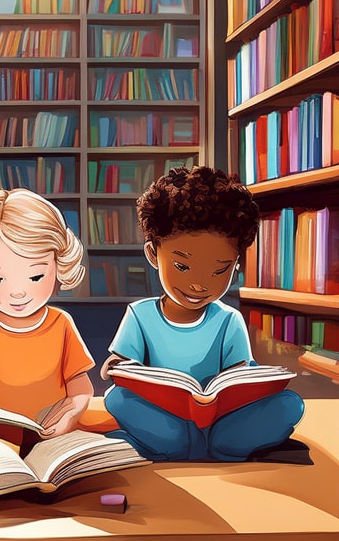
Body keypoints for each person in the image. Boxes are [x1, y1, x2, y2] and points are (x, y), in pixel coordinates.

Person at [101, 165, 304, 461]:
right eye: (182, 266)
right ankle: (197, 445)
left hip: (223, 420)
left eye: (219, 270)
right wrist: (116, 366)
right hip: (166, 419)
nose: (198, 284)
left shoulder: (228, 320)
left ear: (235, 265)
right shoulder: (140, 315)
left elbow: (238, 379)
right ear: (153, 255)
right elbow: (124, 366)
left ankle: (208, 444)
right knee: (118, 399)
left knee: (289, 404)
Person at [0, 188, 94, 449]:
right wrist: (0, 419)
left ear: (59, 266)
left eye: (35, 276)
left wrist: (71, 413)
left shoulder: (61, 323)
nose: (18, 292)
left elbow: (81, 390)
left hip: (52, 437)